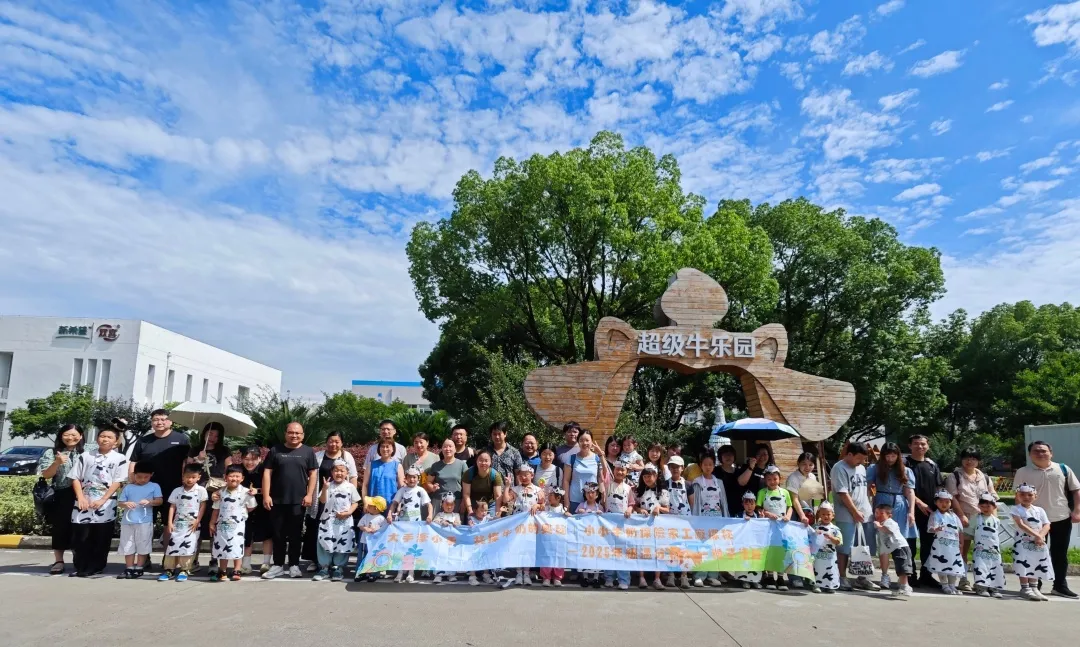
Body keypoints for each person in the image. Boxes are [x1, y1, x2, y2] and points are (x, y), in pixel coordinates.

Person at [1013, 440, 1080, 598]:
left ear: (1051, 453)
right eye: (1036, 451)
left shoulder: (1062, 469)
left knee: (1060, 554)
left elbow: (1076, 490)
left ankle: (1060, 585)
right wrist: (1020, 516)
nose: (1040, 453)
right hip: (1033, 521)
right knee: (1033, 553)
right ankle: (1034, 585)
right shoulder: (1023, 471)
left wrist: (1077, 510)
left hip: (1060, 517)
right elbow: (1018, 495)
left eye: (1043, 450)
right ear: (1030, 455)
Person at [129, 408, 191, 567]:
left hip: (173, 488)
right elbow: (134, 463)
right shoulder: (144, 441)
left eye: (163, 419)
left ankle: (168, 559)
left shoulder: (181, 439)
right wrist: (132, 483)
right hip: (146, 489)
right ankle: (144, 557)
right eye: (156, 419)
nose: (160, 422)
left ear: (170, 421)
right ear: (152, 422)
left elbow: (187, 463)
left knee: (168, 523)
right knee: (144, 523)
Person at [68, 425, 127, 578]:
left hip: (105, 504)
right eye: (102, 436)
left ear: (116, 442)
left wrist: (102, 499)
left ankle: (97, 566)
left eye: (109, 437)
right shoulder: (86, 456)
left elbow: (118, 482)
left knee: (101, 537)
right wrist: (80, 497)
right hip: (83, 503)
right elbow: (75, 477)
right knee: (81, 537)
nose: (105, 439)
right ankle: (81, 566)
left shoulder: (119, 459)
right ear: (97, 438)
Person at [261, 422, 318, 580]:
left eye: (298, 433)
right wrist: (266, 495)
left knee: (295, 535)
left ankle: (294, 565)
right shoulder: (275, 450)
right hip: (277, 500)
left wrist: (309, 495)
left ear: (303, 435)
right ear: (286, 433)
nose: (294, 435)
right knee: (278, 534)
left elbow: (313, 474)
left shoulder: (308, 452)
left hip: (298, 501)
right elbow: (267, 473)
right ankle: (278, 565)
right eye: (291, 432)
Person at [945, 446, 997, 592]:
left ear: (978, 461)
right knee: (963, 550)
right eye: (967, 458)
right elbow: (953, 498)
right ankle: (963, 579)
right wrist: (961, 515)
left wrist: (993, 520)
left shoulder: (984, 477)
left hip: (983, 519)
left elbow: (993, 498)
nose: (970, 461)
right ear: (962, 460)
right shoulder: (954, 476)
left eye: (973, 458)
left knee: (983, 551)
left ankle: (982, 581)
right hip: (964, 518)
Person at [829, 441, 879, 592]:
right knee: (845, 546)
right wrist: (854, 512)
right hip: (846, 513)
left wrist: (864, 510)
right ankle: (842, 577)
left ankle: (862, 578)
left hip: (865, 511)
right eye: (858, 458)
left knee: (866, 545)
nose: (861, 462)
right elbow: (843, 493)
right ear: (849, 454)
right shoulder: (839, 468)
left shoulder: (862, 468)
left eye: (864, 459)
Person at [304, 431, 358, 570]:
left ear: (341, 443)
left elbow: (353, 477)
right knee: (318, 528)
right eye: (331, 441)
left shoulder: (347, 456)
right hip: (322, 497)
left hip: (341, 500)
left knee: (338, 530)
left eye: (337, 441)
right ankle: (316, 561)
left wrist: (352, 495)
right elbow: (312, 476)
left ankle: (336, 563)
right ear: (326, 442)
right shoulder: (319, 456)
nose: (334, 444)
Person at [866, 442, 917, 588]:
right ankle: (884, 575)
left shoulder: (905, 470)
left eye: (893, 455)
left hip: (900, 503)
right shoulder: (874, 468)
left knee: (899, 541)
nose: (890, 458)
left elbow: (909, 491)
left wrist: (911, 511)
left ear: (898, 456)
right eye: (887, 455)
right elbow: (868, 488)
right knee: (883, 540)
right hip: (881, 503)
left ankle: (903, 578)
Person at [38, 423, 85, 575]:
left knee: (81, 528)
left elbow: (114, 442)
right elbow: (46, 475)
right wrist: (57, 462)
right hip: (62, 493)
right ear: (60, 436)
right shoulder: (51, 453)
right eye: (66, 434)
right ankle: (59, 560)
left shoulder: (89, 450)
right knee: (60, 528)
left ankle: (80, 559)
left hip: (85, 494)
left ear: (81, 436)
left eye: (74, 434)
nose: (70, 438)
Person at [189, 421, 232, 577]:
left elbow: (229, 470)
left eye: (216, 435)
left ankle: (214, 560)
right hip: (197, 492)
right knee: (196, 525)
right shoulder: (195, 449)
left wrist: (225, 488)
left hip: (217, 491)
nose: (212, 438)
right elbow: (187, 469)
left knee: (214, 526)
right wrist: (198, 459)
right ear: (204, 434)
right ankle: (193, 559)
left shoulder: (224, 451)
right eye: (210, 434)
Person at [904, 434, 942, 589]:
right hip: (910, 510)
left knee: (929, 545)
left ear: (928, 446)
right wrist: (919, 503)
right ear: (910, 446)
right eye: (916, 444)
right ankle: (910, 575)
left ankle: (926, 575)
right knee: (909, 544)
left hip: (930, 512)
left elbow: (939, 487)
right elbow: (903, 487)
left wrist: (939, 507)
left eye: (923, 444)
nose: (920, 447)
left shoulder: (932, 465)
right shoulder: (904, 463)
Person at [313, 460, 360, 583]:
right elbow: (323, 501)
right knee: (325, 541)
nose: (339, 473)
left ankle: (338, 568)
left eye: (342, 470)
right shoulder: (328, 485)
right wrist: (324, 488)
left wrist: (349, 512)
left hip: (344, 521)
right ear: (332, 472)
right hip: (328, 520)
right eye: (336, 470)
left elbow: (355, 502)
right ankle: (324, 567)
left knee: (343, 543)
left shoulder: (350, 486)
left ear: (347, 472)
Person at [160, 464, 208, 582]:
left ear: (198, 477)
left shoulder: (201, 490)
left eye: (193, 477)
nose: (190, 479)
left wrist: (198, 520)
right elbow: (172, 506)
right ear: (183, 477)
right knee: (172, 546)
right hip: (177, 524)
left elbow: (203, 506)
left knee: (189, 547)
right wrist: (170, 523)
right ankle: (169, 569)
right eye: (187, 477)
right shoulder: (177, 490)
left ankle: (184, 569)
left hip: (192, 525)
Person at [116, 464, 163, 579]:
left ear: (151, 475)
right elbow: (120, 502)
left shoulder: (154, 486)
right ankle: (129, 567)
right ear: (134, 475)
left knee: (143, 543)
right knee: (127, 544)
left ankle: (140, 567)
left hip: (144, 520)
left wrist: (150, 501)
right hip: (128, 521)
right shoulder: (128, 487)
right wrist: (126, 503)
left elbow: (160, 500)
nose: (142, 480)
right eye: (139, 477)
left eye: (146, 477)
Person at [210, 465, 256, 582]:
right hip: (221, 525)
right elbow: (216, 509)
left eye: (237, 476)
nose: (234, 478)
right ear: (226, 477)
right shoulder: (220, 492)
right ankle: (222, 570)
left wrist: (250, 499)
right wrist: (212, 523)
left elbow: (251, 507)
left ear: (242, 478)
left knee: (237, 546)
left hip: (238, 525)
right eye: (231, 476)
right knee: (222, 547)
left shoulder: (246, 492)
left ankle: (237, 569)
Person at [689, 450, 727, 588]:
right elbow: (695, 502)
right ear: (701, 465)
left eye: (710, 464)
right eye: (705, 464)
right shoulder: (697, 482)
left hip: (717, 519)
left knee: (715, 548)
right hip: (702, 518)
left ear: (714, 465)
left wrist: (725, 519)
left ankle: (713, 575)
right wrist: (695, 519)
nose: (708, 467)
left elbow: (723, 502)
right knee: (701, 548)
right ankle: (699, 575)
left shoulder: (719, 482)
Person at [388, 466, 432, 583]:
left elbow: (429, 504)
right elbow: (394, 503)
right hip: (402, 523)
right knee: (401, 547)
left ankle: (411, 572)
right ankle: (400, 571)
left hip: (415, 524)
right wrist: (389, 514)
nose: (412, 479)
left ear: (418, 478)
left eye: (414, 477)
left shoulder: (420, 490)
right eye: (409, 477)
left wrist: (429, 515)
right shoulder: (402, 490)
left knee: (413, 548)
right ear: (405, 478)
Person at [1011, 482, 1053, 601]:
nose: (1026, 497)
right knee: (1023, 563)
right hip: (1023, 542)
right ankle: (1025, 588)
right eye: (1022, 494)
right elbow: (1021, 524)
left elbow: (1047, 524)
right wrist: (1036, 535)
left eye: (1030, 495)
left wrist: (1040, 536)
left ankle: (1034, 588)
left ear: (1035, 496)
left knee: (1036, 563)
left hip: (1038, 542)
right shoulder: (1016, 509)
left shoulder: (1040, 510)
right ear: (1017, 495)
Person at [503, 463, 542, 588]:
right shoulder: (515, 489)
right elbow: (506, 500)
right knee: (518, 547)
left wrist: (537, 505)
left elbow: (543, 505)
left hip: (531, 524)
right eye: (521, 475)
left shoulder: (538, 490)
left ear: (532, 475)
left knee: (528, 548)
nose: (524, 477)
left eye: (527, 475)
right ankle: (519, 573)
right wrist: (507, 486)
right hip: (518, 523)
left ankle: (527, 573)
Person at [756, 465, 792, 591]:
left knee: (782, 550)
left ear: (779, 479)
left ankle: (781, 577)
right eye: (769, 479)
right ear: (765, 480)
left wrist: (788, 515)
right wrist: (766, 513)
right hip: (768, 527)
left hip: (782, 526)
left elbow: (790, 506)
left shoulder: (785, 493)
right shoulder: (762, 493)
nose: (772, 482)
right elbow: (758, 508)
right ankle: (770, 576)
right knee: (770, 551)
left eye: (775, 479)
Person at [635, 464, 669, 590]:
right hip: (643, 526)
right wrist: (639, 510)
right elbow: (635, 505)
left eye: (650, 476)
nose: (648, 479)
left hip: (658, 527)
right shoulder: (639, 491)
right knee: (642, 550)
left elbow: (667, 509)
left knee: (658, 551)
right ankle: (642, 577)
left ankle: (657, 578)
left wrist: (659, 508)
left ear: (656, 476)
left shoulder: (663, 492)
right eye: (645, 476)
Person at [238, 447, 271, 574]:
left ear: (259, 458)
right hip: (244, 508)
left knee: (267, 534)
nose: (249, 462)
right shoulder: (239, 470)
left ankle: (266, 563)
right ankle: (246, 564)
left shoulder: (265, 470)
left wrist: (258, 491)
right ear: (242, 459)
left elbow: (273, 487)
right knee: (247, 535)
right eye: (246, 459)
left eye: (253, 459)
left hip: (263, 505)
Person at [926, 489, 965, 594]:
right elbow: (930, 528)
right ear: (936, 502)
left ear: (951, 503)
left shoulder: (954, 516)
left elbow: (960, 530)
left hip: (953, 545)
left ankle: (952, 585)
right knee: (941, 564)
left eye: (947, 502)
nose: (944, 504)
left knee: (954, 565)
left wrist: (961, 543)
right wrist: (935, 529)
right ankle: (944, 584)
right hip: (940, 545)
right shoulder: (934, 515)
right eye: (941, 501)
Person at [966, 493, 1005, 598]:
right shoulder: (976, 518)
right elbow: (968, 531)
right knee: (980, 567)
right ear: (979, 506)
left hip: (994, 551)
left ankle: (994, 587)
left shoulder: (996, 521)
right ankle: (981, 587)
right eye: (982, 506)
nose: (985, 508)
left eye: (988, 506)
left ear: (994, 507)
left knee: (995, 567)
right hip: (980, 549)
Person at [872, 503, 913, 599]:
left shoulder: (889, 522)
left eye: (881, 513)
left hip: (900, 547)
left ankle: (904, 587)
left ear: (889, 515)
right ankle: (905, 586)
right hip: (896, 549)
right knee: (900, 567)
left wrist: (879, 526)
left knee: (902, 567)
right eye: (876, 513)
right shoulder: (882, 524)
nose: (878, 515)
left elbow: (889, 530)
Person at [561, 429, 607, 512]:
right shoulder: (572, 458)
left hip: (592, 500)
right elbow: (566, 481)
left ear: (592, 441)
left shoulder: (597, 458)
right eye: (581, 440)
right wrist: (566, 501)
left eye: (587, 440)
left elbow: (602, 477)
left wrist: (603, 497)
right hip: (575, 500)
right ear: (578, 442)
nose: (584, 443)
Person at [664, 455, 691, 589]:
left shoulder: (688, 484)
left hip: (685, 520)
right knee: (671, 547)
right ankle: (671, 574)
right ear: (669, 468)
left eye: (677, 467)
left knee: (684, 548)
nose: (675, 469)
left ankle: (684, 576)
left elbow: (691, 503)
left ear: (682, 468)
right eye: (672, 467)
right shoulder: (665, 483)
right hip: (669, 520)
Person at [425, 439, 468, 516]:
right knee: (437, 525)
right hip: (438, 501)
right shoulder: (435, 466)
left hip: (456, 502)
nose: (448, 449)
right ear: (442, 449)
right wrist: (432, 487)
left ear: (455, 449)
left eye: (450, 446)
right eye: (445, 447)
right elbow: (428, 482)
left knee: (455, 525)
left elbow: (467, 485)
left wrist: (464, 502)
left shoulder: (462, 465)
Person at [576, 482, 604, 588]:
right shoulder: (581, 505)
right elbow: (575, 518)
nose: (590, 495)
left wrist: (601, 514)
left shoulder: (600, 507)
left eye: (593, 492)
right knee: (584, 556)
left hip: (596, 536)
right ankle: (585, 577)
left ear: (597, 494)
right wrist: (579, 512)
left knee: (597, 556)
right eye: (588, 493)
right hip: (584, 535)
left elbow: (604, 520)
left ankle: (596, 578)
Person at [462, 450, 504, 519]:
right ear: (476, 461)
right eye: (480, 460)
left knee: (491, 526)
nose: (483, 463)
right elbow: (466, 494)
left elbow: (497, 496)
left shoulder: (495, 475)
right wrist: (470, 511)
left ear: (490, 462)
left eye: (486, 460)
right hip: (473, 504)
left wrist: (497, 513)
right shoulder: (468, 473)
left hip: (490, 504)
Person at [355, 496, 388, 582]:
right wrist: (365, 528)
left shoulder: (381, 518)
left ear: (376, 508)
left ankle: (373, 574)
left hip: (375, 542)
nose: (367, 506)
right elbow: (360, 525)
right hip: (364, 541)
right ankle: (360, 573)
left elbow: (384, 529)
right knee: (362, 557)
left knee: (374, 557)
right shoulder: (366, 516)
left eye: (370, 505)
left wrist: (376, 530)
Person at [540, 486, 569, 587]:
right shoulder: (546, 508)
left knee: (559, 557)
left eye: (551, 495)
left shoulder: (563, 509)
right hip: (547, 537)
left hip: (559, 538)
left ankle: (557, 577)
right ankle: (546, 577)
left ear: (558, 498)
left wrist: (567, 515)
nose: (549, 497)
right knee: (546, 556)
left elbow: (569, 519)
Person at [734, 492, 763, 588]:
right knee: (744, 561)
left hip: (755, 544)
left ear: (755, 504)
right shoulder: (738, 515)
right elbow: (735, 527)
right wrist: (742, 521)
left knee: (755, 561)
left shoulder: (759, 516)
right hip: (743, 543)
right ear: (743, 504)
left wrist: (762, 520)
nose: (749, 506)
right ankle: (743, 580)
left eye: (752, 504)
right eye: (746, 504)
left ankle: (755, 580)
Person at [362, 439, 404, 507]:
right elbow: (365, 485)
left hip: (391, 506)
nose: (385, 449)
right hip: (373, 506)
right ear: (379, 449)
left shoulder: (398, 466)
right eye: (382, 446)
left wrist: (399, 505)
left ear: (393, 449)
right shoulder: (371, 465)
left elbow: (401, 487)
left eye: (387, 446)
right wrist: (365, 503)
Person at [431, 492, 462, 585]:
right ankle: (438, 575)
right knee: (440, 556)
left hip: (451, 541)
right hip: (441, 541)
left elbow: (459, 523)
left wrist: (456, 523)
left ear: (454, 505)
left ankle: (451, 574)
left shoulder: (456, 515)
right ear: (442, 504)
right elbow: (434, 522)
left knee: (451, 556)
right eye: (447, 504)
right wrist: (441, 521)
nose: (449, 507)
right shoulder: (439, 515)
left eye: (451, 505)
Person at [812, 502, 842, 593]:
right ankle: (816, 584)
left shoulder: (835, 529)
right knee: (817, 569)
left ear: (833, 515)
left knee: (831, 570)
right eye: (823, 514)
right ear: (820, 515)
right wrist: (815, 534)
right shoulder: (816, 527)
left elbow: (839, 541)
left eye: (828, 514)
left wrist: (831, 537)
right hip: (818, 555)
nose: (826, 516)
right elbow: (810, 538)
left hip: (830, 556)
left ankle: (830, 585)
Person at [467, 500, 496, 586]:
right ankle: (472, 577)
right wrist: (470, 524)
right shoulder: (471, 518)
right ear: (475, 510)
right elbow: (470, 526)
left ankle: (486, 575)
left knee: (485, 559)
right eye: (482, 511)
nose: (484, 513)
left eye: (486, 511)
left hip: (485, 543)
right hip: (474, 544)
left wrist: (499, 512)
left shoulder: (487, 518)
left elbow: (496, 520)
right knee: (474, 559)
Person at [785, 451, 819, 524]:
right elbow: (795, 500)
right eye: (804, 464)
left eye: (811, 465)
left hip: (809, 510)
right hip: (796, 512)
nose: (807, 467)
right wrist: (802, 516)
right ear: (798, 463)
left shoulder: (812, 477)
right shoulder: (793, 478)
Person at [715, 445, 743, 518]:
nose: (728, 457)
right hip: (722, 507)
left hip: (738, 507)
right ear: (720, 457)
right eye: (725, 455)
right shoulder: (716, 471)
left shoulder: (739, 471)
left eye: (730, 454)